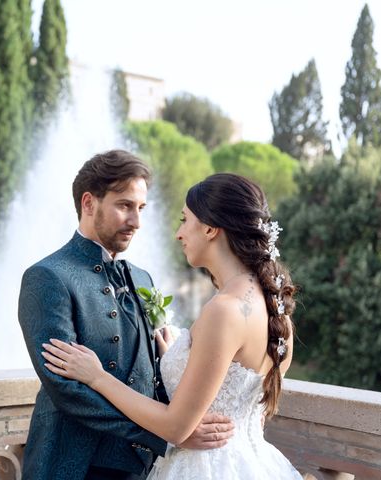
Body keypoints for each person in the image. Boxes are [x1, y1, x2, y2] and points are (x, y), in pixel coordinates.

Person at [42, 173, 303, 479]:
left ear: (210, 228)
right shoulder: (276, 309)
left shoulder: (223, 310)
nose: (179, 233)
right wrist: (176, 354)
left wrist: (97, 377)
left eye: (184, 220)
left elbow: (177, 427)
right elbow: (248, 411)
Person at [18, 151, 235, 480]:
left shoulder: (143, 278)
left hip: (140, 469)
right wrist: (164, 434)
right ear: (89, 203)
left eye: (141, 208)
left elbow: (151, 375)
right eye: (125, 206)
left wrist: (180, 414)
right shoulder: (47, 276)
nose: (136, 221)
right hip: (71, 467)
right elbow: (66, 389)